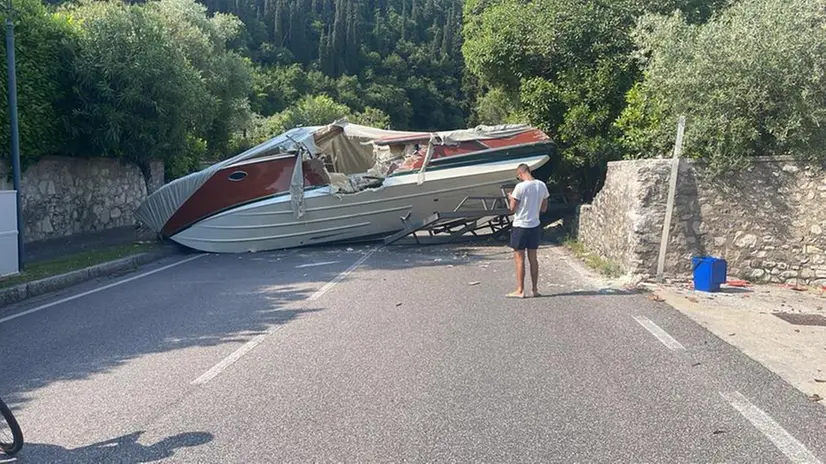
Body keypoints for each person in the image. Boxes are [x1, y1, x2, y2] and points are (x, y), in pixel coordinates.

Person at [507, 164, 549, 298]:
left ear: (520, 174)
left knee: (519, 259)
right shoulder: (541, 185)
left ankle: (520, 290)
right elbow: (544, 208)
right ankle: (535, 289)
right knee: (533, 258)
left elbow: (512, 208)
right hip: (535, 225)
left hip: (520, 225)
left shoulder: (520, 187)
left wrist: (510, 198)